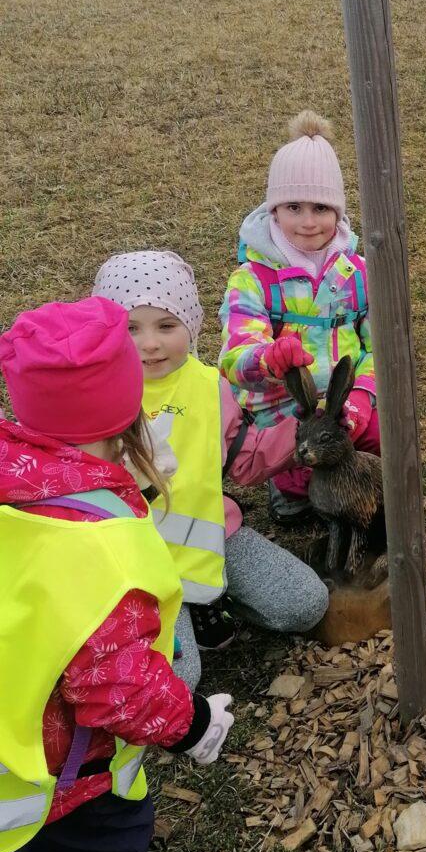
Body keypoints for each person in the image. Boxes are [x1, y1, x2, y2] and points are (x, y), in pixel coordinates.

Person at [0, 297, 234, 852]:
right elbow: (116, 685)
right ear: (125, 414)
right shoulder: (99, 540)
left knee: (28, 822)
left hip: (13, 726)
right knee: (110, 839)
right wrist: (194, 723)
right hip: (69, 748)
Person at [93, 251, 329, 689]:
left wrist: (304, 433)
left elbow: (245, 459)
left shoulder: (211, 387)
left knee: (307, 604)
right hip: (138, 568)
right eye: (130, 328)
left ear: (192, 325)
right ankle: (176, 612)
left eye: (166, 325)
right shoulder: (94, 396)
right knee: (180, 681)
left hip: (213, 536)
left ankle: (213, 596)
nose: (149, 343)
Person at [219, 111, 376, 523]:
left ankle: (353, 488)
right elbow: (235, 357)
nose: (308, 222)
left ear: (338, 212)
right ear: (274, 210)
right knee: (297, 452)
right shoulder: (252, 278)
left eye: (322, 208)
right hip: (285, 407)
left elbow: (381, 347)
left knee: (375, 437)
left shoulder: (358, 272)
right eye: (294, 207)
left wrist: (361, 396)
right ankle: (290, 486)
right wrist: (268, 359)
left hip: (344, 401)